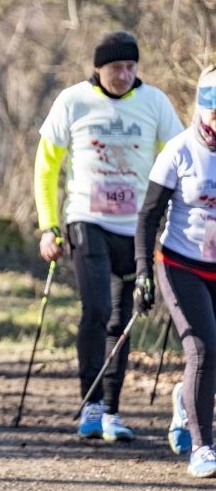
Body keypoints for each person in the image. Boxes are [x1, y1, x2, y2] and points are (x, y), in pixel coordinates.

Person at [34, 31, 183, 441]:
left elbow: (180, 155)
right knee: (96, 309)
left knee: (124, 316)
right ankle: (91, 404)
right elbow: (46, 167)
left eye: (131, 66)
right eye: (117, 67)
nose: (125, 74)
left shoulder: (154, 102)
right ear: (99, 68)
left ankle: (113, 411)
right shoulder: (73, 100)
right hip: (87, 220)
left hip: (135, 226)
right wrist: (48, 225)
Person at [135, 65, 216, 478]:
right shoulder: (180, 150)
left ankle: (186, 399)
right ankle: (203, 449)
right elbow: (149, 216)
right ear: (202, 110)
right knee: (202, 350)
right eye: (214, 111)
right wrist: (141, 272)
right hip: (181, 264)